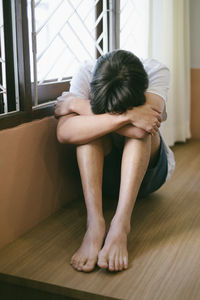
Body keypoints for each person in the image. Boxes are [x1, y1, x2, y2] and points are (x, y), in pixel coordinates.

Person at [55, 50, 175, 273]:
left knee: (141, 133)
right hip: (106, 178)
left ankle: (120, 226)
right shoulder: (86, 73)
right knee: (87, 136)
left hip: (149, 175)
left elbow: (146, 124)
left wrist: (79, 107)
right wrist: (129, 115)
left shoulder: (156, 71)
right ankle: (95, 224)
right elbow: (64, 133)